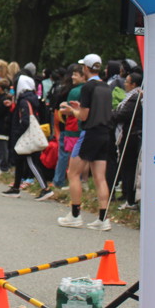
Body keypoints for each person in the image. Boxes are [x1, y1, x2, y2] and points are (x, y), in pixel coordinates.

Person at [58, 53, 115, 230]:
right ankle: (103, 218)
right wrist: (79, 108)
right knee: (100, 177)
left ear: (85, 68)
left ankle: (75, 215)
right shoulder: (106, 86)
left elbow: (83, 116)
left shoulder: (88, 87)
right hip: (105, 133)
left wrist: (71, 111)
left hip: (89, 133)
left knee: (73, 173)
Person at [2, 75, 52, 199]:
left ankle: (45, 188)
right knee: (20, 161)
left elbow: (25, 121)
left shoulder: (24, 101)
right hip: (27, 135)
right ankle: (16, 187)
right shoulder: (31, 99)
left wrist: (18, 133)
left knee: (31, 162)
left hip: (25, 136)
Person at [111, 71, 142, 210]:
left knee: (129, 168)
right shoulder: (132, 97)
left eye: (127, 81)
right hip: (128, 135)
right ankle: (128, 196)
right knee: (126, 168)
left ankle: (130, 199)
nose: (124, 84)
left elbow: (122, 115)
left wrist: (111, 114)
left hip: (131, 137)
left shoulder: (135, 98)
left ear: (133, 84)